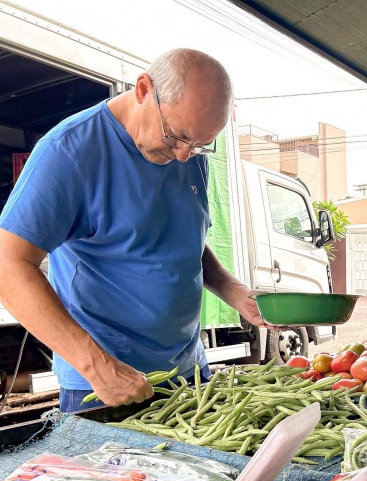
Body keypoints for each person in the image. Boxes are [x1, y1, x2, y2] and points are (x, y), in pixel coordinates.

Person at [0, 49, 270, 412]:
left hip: (189, 373)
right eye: (176, 136)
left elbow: (181, 238)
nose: (183, 156)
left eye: (200, 145)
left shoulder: (189, 152)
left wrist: (234, 291)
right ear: (143, 89)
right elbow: (9, 265)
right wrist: (96, 366)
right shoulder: (68, 152)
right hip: (108, 383)